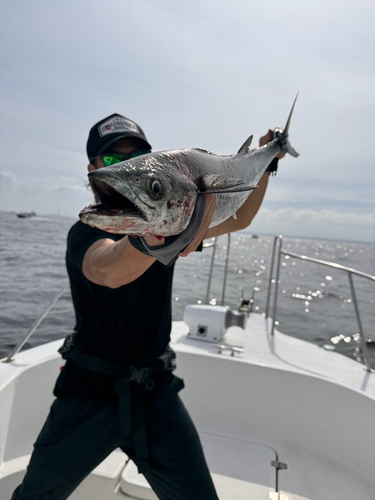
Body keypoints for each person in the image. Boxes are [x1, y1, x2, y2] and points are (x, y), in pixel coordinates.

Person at [12, 113, 284, 500]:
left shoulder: (178, 218)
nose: (122, 165)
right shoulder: (86, 232)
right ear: (93, 170)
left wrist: (268, 162)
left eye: (137, 155)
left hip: (156, 395)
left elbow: (240, 218)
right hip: (88, 394)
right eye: (111, 161)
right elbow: (107, 269)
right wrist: (155, 240)